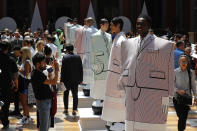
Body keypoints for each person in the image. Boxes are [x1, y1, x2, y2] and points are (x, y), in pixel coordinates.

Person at [118, 14, 174, 131]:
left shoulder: (165, 45)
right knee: (132, 123)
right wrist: (121, 83)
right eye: (137, 23)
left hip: (153, 92)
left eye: (142, 24)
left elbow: (169, 70)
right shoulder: (127, 43)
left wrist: (169, 94)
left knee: (152, 121)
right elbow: (124, 65)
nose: (139, 26)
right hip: (132, 90)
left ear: (148, 25)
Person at [101, 17, 126, 130]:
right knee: (111, 98)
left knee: (118, 99)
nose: (110, 27)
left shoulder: (122, 40)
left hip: (117, 75)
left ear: (118, 26)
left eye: (112, 25)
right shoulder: (116, 37)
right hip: (112, 73)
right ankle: (112, 119)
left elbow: (124, 60)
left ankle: (119, 120)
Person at [31, 52, 59, 131]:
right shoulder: (37, 75)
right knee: (44, 126)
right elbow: (53, 82)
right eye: (43, 62)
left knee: (46, 125)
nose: (45, 64)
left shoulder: (37, 73)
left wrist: (50, 72)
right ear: (37, 64)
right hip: (43, 102)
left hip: (44, 101)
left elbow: (49, 80)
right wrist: (56, 69)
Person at [90, 18, 112, 101]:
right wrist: (92, 63)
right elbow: (92, 51)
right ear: (101, 25)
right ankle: (98, 99)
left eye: (108, 25)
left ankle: (105, 98)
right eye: (106, 25)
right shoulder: (94, 36)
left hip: (108, 62)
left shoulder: (109, 35)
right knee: (99, 82)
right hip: (98, 62)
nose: (107, 27)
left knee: (106, 82)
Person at [173, 55, 197, 131]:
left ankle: (181, 129)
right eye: (182, 61)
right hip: (177, 98)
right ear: (179, 62)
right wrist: (177, 90)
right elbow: (171, 85)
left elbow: (193, 85)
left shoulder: (191, 73)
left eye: (185, 61)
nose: (183, 63)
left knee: (183, 117)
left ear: (187, 62)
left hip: (187, 98)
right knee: (180, 115)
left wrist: (196, 96)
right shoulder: (175, 72)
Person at [60, 44, 83, 115]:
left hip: (66, 79)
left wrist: (61, 80)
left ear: (66, 50)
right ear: (73, 49)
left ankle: (66, 109)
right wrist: (81, 79)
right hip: (75, 79)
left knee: (66, 94)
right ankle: (74, 110)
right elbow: (80, 69)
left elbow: (63, 70)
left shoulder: (65, 57)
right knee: (75, 95)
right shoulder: (78, 57)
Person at [0, 41, 18, 130]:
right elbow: (15, 75)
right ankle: (5, 121)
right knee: (5, 105)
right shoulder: (11, 59)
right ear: (8, 49)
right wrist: (16, 85)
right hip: (6, 85)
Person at [17, 47, 33, 125]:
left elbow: (26, 74)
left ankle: (25, 117)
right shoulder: (26, 61)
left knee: (24, 102)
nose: (20, 53)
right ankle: (27, 116)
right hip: (23, 82)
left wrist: (18, 70)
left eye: (21, 52)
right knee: (23, 101)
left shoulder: (27, 61)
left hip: (25, 82)